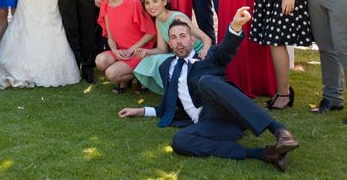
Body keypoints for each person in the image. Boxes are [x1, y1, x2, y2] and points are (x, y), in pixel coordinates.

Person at [118, 9, 300, 172]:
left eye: (183, 36)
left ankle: (280, 131)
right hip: (211, 124)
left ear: (192, 39)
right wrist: (141, 110)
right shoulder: (166, 67)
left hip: (229, 113)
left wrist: (235, 27)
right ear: (170, 43)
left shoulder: (207, 58)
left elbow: (225, 50)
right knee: (180, 141)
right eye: (173, 37)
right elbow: (170, 102)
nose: (179, 41)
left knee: (205, 82)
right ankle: (265, 154)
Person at [134, 0, 211, 95]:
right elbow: (162, 49)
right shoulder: (158, 20)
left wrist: (203, 54)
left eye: (155, 1)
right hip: (180, 54)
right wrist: (146, 51)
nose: (151, 6)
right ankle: (173, 92)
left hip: (196, 54)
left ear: (164, 1)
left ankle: (176, 92)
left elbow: (206, 38)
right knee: (150, 59)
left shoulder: (177, 18)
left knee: (160, 61)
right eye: (147, 3)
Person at [95, 0, 156, 93]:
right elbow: (110, 37)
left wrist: (131, 49)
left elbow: (151, 33)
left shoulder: (132, 1)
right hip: (122, 51)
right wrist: (115, 51)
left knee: (111, 74)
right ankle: (128, 78)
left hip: (138, 51)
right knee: (100, 61)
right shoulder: (105, 4)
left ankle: (141, 75)